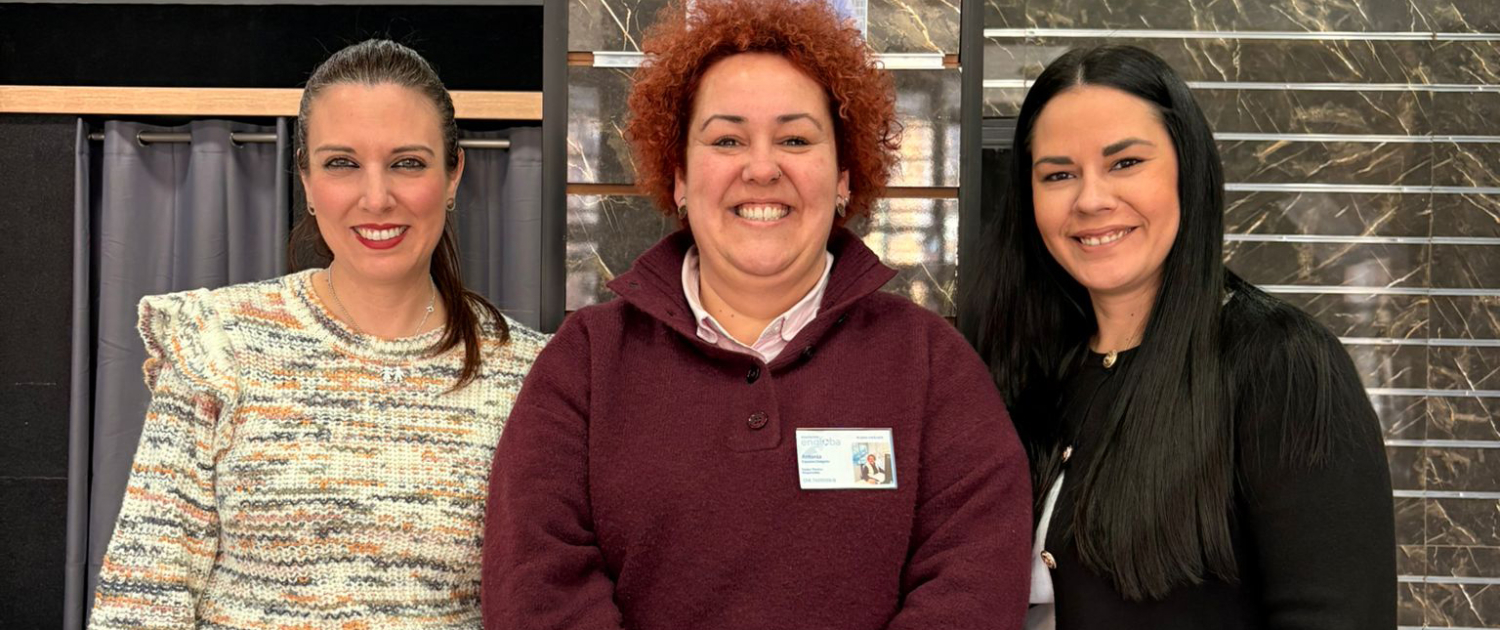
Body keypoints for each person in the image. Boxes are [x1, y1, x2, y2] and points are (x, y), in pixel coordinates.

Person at [481, 1, 1031, 628]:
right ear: (679, 176)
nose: (762, 168)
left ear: (844, 175)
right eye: (727, 140)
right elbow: (537, 588)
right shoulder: (585, 362)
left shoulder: (931, 364)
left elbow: (975, 583)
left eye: (795, 139)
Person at [88, 39, 548, 629]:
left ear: (453, 174)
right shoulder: (218, 343)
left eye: (408, 163)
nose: (376, 198)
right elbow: (142, 600)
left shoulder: (532, 374)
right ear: (305, 179)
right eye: (342, 164)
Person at [964, 44, 1396, 629]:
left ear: (1188, 170)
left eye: (1125, 163)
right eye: (1059, 174)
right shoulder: (1023, 369)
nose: (1091, 199)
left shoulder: (1284, 366)